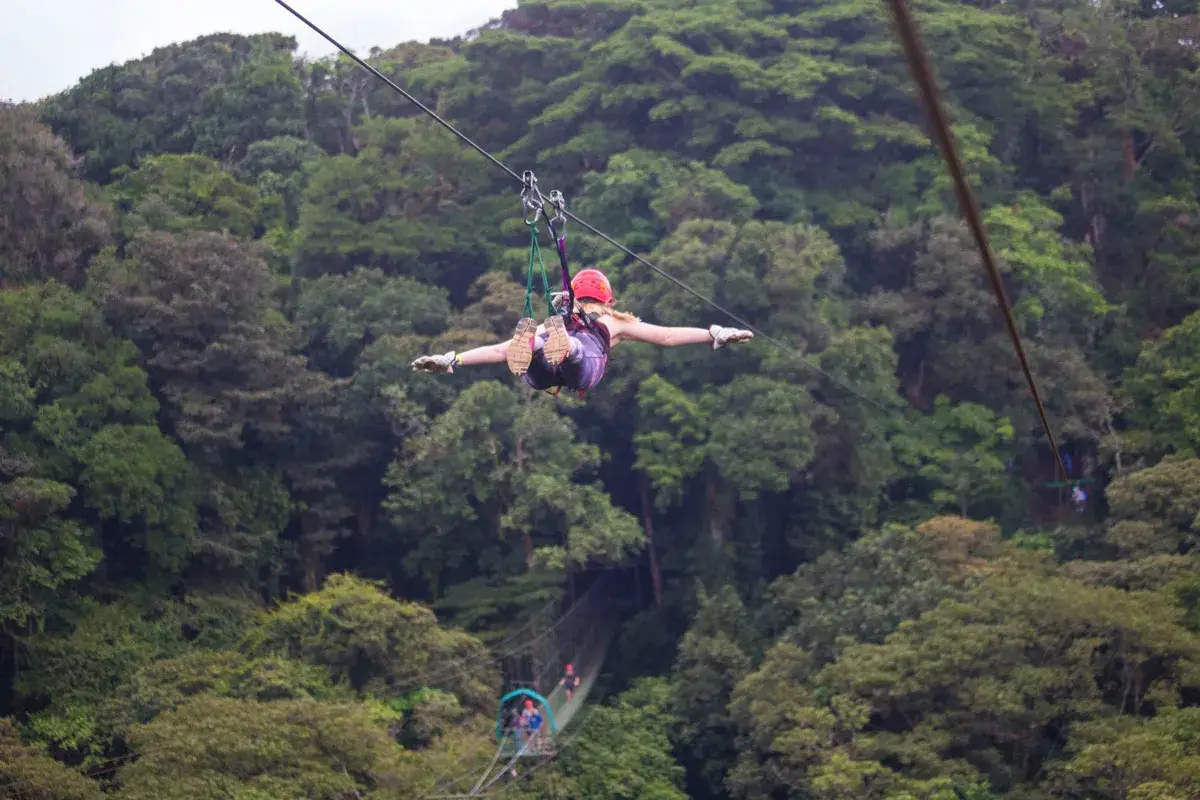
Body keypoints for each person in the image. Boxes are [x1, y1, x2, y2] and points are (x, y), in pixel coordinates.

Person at [410, 268, 754, 393]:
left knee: (534, 355)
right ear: (607, 298)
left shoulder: (558, 318)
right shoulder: (614, 321)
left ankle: (539, 349)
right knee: (578, 359)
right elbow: (666, 336)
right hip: (583, 361)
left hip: (545, 364)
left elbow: (501, 352)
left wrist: (450, 358)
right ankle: (568, 348)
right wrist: (714, 333)